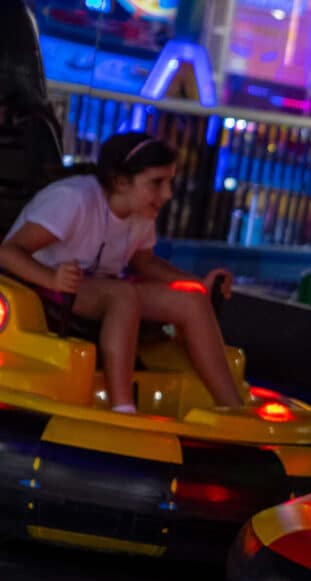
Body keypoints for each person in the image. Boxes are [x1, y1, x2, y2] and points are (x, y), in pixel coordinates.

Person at [0, 131, 244, 413]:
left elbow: (145, 263)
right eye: (157, 183)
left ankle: (233, 408)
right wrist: (51, 278)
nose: (167, 195)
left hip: (99, 286)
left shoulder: (141, 212)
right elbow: (8, 251)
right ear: (120, 181)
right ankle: (123, 407)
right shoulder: (73, 200)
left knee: (192, 301)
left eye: (169, 183)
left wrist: (198, 284)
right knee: (123, 295)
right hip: (44, 285)